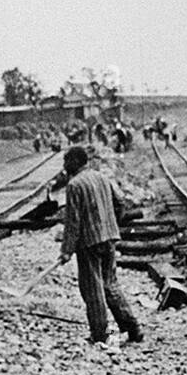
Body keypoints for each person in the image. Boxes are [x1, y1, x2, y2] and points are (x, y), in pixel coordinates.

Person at [59, 146, 143, 352]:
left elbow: (73, 222)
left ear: (75, 162)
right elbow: (121, 203)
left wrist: (67, 250)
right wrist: (111, 222)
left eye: (66, 162)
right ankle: (132, 328)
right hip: (109, 237)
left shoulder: (74, 185)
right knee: (110, 284)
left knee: (92, 288)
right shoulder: (102, 177)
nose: (64, 166)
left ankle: (99, 334)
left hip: (89, 242)